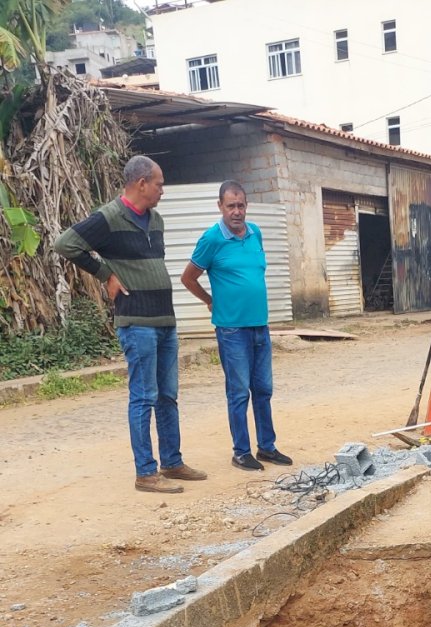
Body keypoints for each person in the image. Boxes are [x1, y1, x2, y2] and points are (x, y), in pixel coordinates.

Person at [55, 155, 206, 495]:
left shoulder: (157, 221)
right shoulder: (109, 218)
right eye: (159, 184)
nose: (162, 191)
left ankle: (172, 461)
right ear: (141, 184)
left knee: (167, 395)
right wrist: (104, 274)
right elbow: (65, 243)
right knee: (144, 396)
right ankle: (146, 473)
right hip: (136, 322)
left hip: (164, 320)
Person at [180, 181, 292, 471]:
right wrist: (209, 300)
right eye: (231, 206)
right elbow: (188, 277)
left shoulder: (256, 233)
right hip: (231, 330)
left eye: (241, 205)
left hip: (259, 325)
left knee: (263, 389)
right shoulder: (212, 239)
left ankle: (267, 447)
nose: (237, 211)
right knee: (239, 391)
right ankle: (241, 452)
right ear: (220, 206)